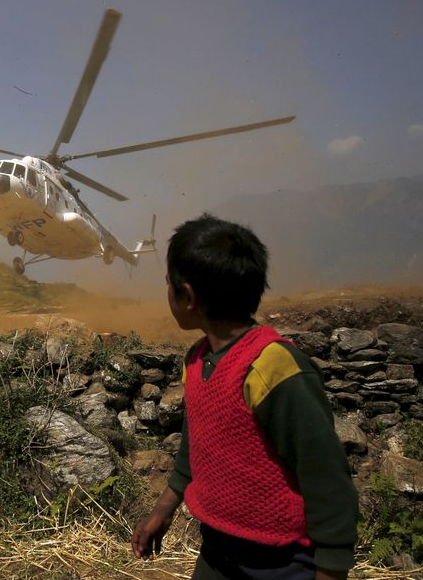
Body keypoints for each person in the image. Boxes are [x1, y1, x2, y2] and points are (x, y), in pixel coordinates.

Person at [131, 214, 358, 580]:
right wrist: (165, 507)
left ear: (187, 296)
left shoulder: (274, 369)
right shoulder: (197, 361)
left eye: (168, 284)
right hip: (216, 553)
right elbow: (196, 448)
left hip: (283, 564)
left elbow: (325, 477)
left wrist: (331, 568)